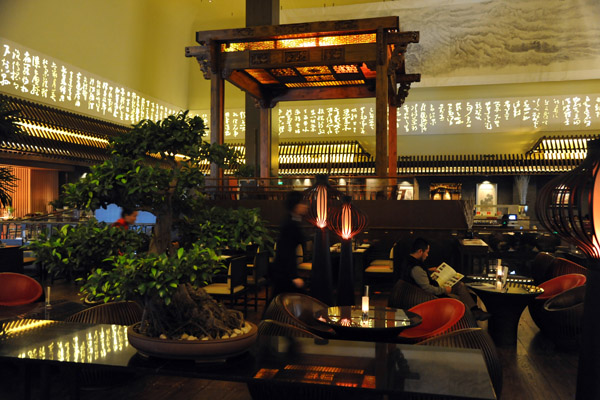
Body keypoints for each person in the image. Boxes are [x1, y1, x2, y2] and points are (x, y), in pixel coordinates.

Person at [405, 237, 491, 321]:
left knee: (459, 285)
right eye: (426, 252)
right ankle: (469, 317)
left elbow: (420, 276)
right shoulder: (416, 268)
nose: (427, 255)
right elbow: (428, 289)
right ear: (420, 251)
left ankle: (475, 310)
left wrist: (429, 270)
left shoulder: (409, 261)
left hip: (424, 290)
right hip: (426, 297)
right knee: (458, 298)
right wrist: (444, 290)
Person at [270, 191, 308, 298]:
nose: (305, 206)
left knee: (278, 302)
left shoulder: (293, 220)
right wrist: (293, 276)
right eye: (302, 203)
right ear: (295, 206)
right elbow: (286, 251)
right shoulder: (289, 224)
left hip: (284, 271)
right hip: (284, 271)